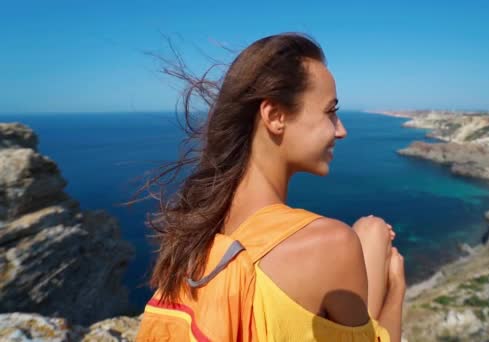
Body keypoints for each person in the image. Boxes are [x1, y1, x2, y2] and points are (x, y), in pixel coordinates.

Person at [136, 32, 406, 341]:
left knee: (369, 231)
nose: (341, 130)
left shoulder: (196, 232)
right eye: (330, 111)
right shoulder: (330, 243)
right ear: (275, 116)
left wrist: (368, 237)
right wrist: (395, 287)